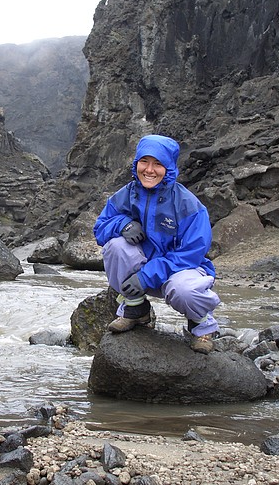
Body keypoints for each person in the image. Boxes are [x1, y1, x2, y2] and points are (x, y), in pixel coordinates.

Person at [93, 134, 221, 354]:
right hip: (140, 271)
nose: (149, 170)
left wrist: (147, 275)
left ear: (169, 167)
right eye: (144, 162)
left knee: (186, 291)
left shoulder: (189, 204)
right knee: (115, 246)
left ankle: (201, 324)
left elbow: (192, 253)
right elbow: (100, 227)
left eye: (158, 164)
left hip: (179, 271)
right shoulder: (126, 194)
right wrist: (122, 224)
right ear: (136, 164)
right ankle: (136, 309)